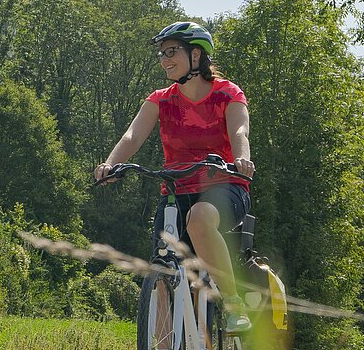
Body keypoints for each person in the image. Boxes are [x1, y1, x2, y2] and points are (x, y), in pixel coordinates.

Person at [95, 21, 256, 331]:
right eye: (161, 54)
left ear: (196, 55)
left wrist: (242, 158)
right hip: (175, 189)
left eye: (171, 51)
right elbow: (132, 135)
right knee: (161, 273)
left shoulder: (227, 93)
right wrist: (111, 163)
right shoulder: (160, 99)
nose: (164, 59)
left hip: (223, 183)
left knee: (199, 218)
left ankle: (234, 305)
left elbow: (240, 129)